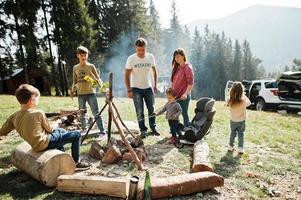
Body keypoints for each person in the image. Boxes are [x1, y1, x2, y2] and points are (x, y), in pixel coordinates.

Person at [0, 84, 90, 169]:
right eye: (37, 99)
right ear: (32, 99)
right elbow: (50, 130)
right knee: (76, 135)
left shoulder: (14, 116)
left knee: (60, 131)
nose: (38, 101)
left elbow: (3, 131)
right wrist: (58, 121)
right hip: (45, 143)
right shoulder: (38, 113)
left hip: (34, 145)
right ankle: (76, 162)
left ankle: (60, 155)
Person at [125, 38, 159, 138]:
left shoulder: (150, 57)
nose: (141, 52)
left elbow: (154, 71)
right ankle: (143, 130)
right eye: (139, 50)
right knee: (139, 111)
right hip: (136, 88)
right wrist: (129, 90)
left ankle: (153, 128)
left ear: (146, 48)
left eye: (143, 49)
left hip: (148, 87)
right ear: (136, 48)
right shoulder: (131, 59)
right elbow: (126, 75)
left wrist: (155, 84)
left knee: (151, 109)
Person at [71, 46, 106, 136]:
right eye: (82, 55)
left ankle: (102, 131)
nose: (84, 57)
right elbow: (75, 81)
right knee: (82, 112)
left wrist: (102, 87)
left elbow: (98, 79)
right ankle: (84, 130)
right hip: (80, 94)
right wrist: (72, 89)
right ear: (78, 56)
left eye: (85, 55)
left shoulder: (91, 66)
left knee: (96, 113)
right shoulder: (75, 68)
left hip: (91, 93)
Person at [171, 48, 194, 127]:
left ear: (183, 56)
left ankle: (187, 130)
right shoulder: (177, 68)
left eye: (178, 56)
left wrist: (185, 94)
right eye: (175, 57)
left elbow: (190, 84)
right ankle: (175, 131)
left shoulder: (188, 67)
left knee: (184, 113)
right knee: (174, 114)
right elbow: (174, 82)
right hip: (175, 96)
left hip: (183, 97)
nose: (176, 59)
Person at [226, 81, 251, 154]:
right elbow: (249, 103)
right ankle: (240, 148)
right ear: (242, 91)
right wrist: (244, 96)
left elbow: (226, 101)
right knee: (241, 134)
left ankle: (230, 146)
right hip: (241, 121)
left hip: (233, 120)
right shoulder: (243, 101)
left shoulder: (229, 100)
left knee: (232, 133)